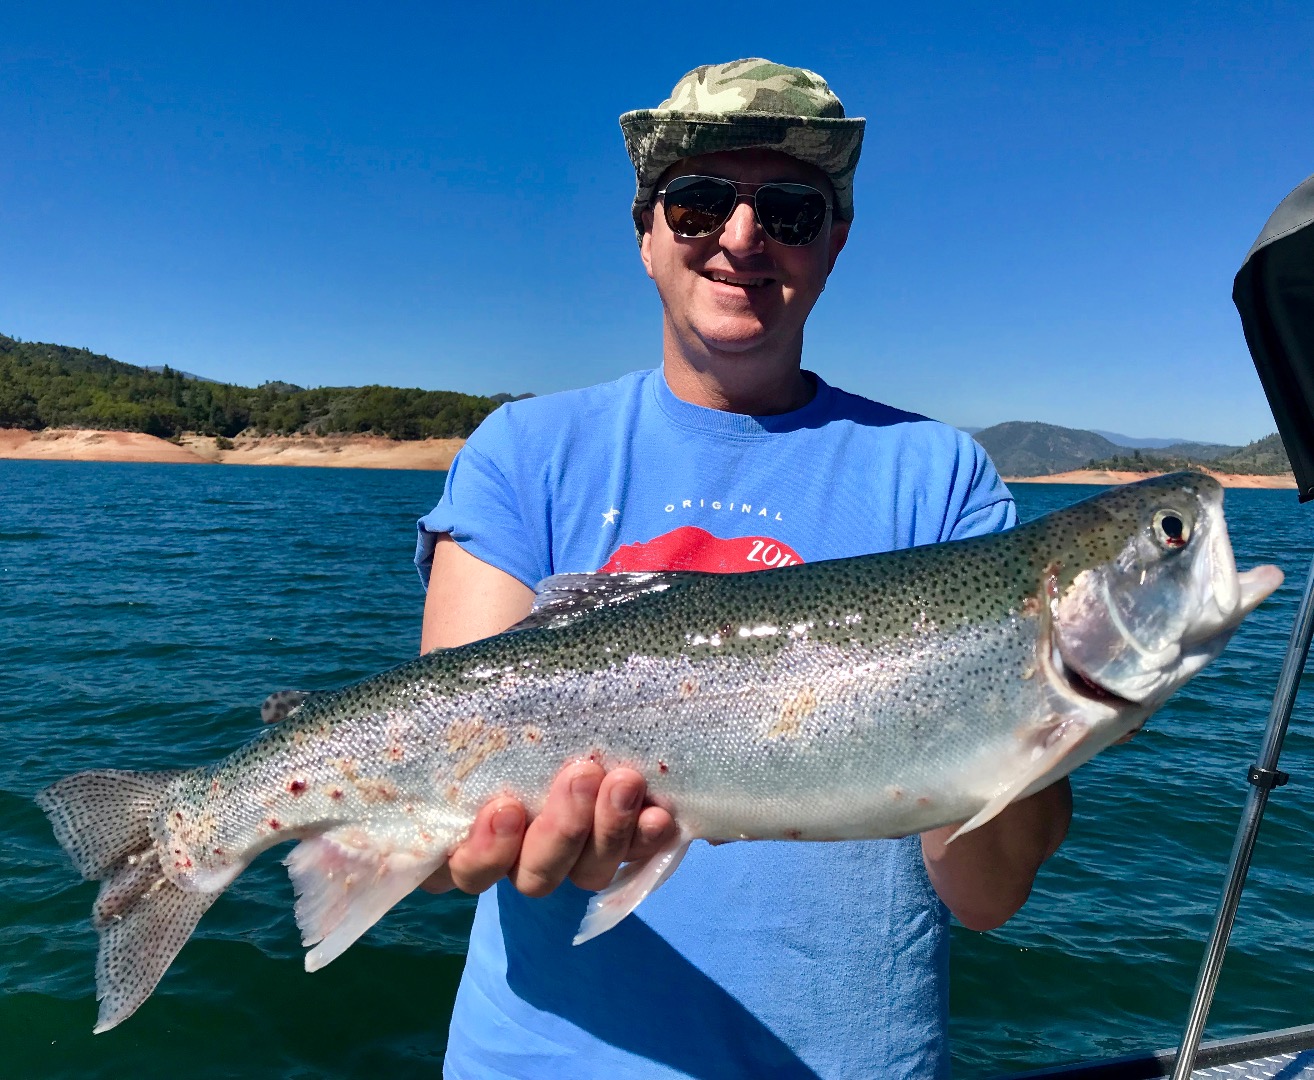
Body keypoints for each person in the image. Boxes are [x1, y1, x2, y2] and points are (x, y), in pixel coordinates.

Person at [414, 59, 1071, 1080]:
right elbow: (443, 793)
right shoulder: (521, 452)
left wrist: (1047, 699)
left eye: (791, 210)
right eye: (700, 202)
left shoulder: (940, 477)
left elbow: (986, 896)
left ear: (834, 244)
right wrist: (453, 842)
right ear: (645, 233)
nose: (741, 236)